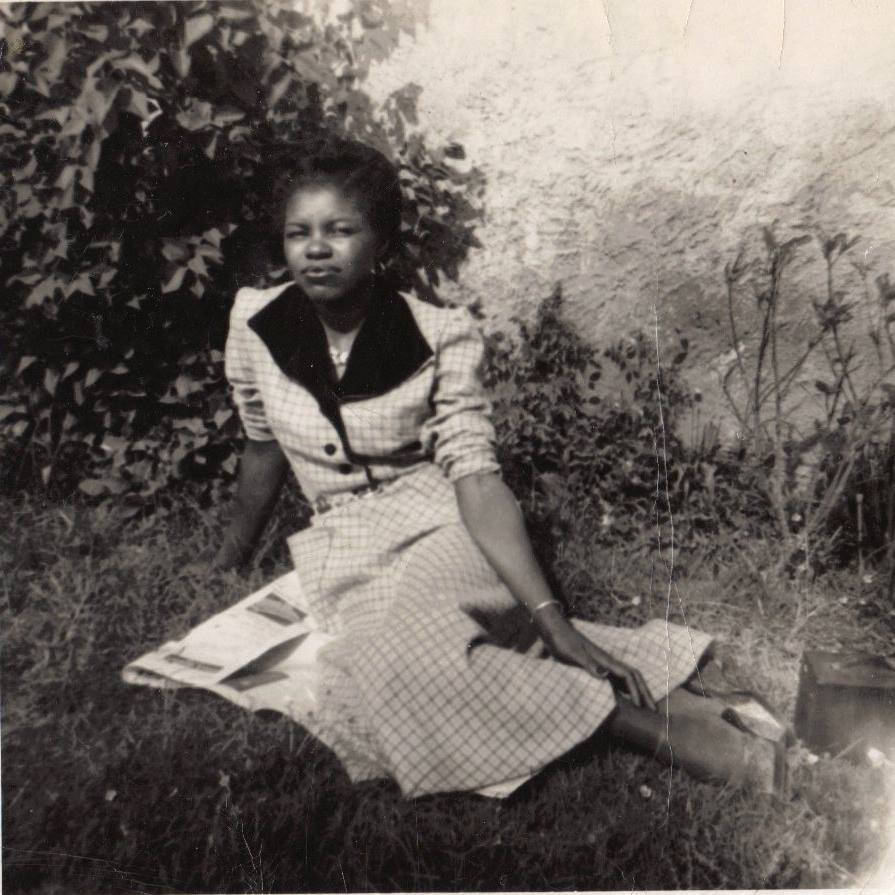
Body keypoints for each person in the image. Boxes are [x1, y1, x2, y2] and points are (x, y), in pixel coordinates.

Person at [198, 138, 782, 797]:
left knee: (403, 660)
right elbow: (261, 445)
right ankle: (676, 707)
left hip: (446, 525)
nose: (315, 248)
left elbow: (474, 477)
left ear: (381, 242)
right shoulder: (254, 320)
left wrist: (552, 620)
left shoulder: (438, 333)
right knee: (377, 666)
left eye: (340, 230)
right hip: (346, 551)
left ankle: (647, 731)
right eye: (298, 233)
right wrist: (229, 558)